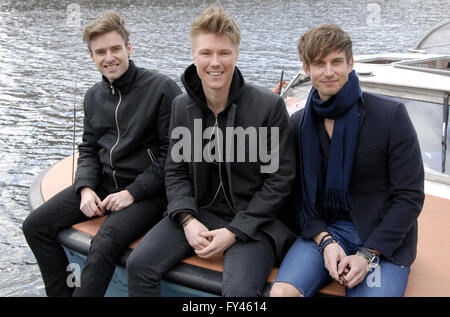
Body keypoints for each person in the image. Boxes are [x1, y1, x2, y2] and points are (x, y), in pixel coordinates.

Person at [126, 5, 297, 297]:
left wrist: (234, 232)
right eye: (206, 53)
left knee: (240, 294)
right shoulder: (182, 106)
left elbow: (278, 181)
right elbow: (176, 170)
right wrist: (187, 219)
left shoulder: (268, 107)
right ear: (194, 57)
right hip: (199, 211)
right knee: (138, 266)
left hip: (252, 220)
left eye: (224, 53)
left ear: (236, 55)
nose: (215, 63)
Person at [22, 10, 181, 297]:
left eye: (115, 49)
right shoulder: (93, 97)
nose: (109, 57)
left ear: (128, 48)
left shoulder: (161, 88)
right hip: (105, 184)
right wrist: (84, 188)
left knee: (104, 242)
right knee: (35, 226)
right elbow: (88, 149)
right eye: (101, 52)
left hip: (149, 192)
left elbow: (173, 155)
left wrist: (132, 192)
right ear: (91, 56)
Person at [270, 24, 425, 297]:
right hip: (328, 230)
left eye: (336, 62)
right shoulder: (299, 124)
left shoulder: (390, 116)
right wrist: (324, 241)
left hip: (383, 238)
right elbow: (296, 194)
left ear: (350, 63)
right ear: (306, 69)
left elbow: (409, 196)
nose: (328, 72)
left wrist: (367, 255)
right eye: (319, 64)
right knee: (281, 293)